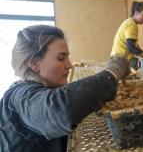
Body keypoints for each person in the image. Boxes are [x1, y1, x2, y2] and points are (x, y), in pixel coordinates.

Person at [0, 25, 129, 152]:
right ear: (34, 63)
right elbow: (60, 109)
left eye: (67, 57)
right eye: (61, 58)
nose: (70, 65)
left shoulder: (47, 86)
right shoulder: (19, 97)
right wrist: (113, 72)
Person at [110, 1, 143, 70]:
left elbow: (133, 46)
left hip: (116, 56)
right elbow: (131, 48)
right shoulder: (132, 25)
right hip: (121, 58)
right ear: (136, 13)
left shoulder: (129, 22)